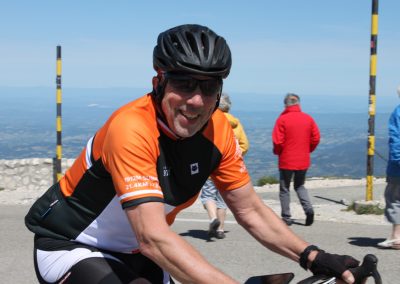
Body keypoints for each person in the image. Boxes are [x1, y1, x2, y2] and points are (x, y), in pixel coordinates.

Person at [25, 24, 360, 284]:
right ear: (159, 82)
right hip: (74, 247)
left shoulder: (219, 131)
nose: (197, 101)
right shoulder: (131, 127)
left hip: (138, 254)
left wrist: (313, 257)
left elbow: (250, 210)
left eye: (210, 86)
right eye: (184, 84)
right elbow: (153, 236)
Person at [200, 93, 249, 239]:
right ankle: (220, 229)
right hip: (229, 169)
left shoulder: (210, 121)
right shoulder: (236, 123)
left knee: (208, 195)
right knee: (222, 199)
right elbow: (244, 145)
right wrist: (232, 156)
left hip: (209, 168)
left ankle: (213, 218)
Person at [272, 93, 320, 226]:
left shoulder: (282, 119)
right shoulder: (308, 119)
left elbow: (278, 142)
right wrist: (307, 149)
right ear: (298, 104)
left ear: (285, 105)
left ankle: (286, 217)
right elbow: (316, 138)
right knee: (300, 185)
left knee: (284, 188)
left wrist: (278, 152)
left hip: (286, 160)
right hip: (303, 159)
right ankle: (308, 209)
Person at [378, 87, 400, 249]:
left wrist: (397, 159)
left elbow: (396, 139)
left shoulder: (398, 113)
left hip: (398, 168)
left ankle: (396, 236)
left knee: (394, 199)